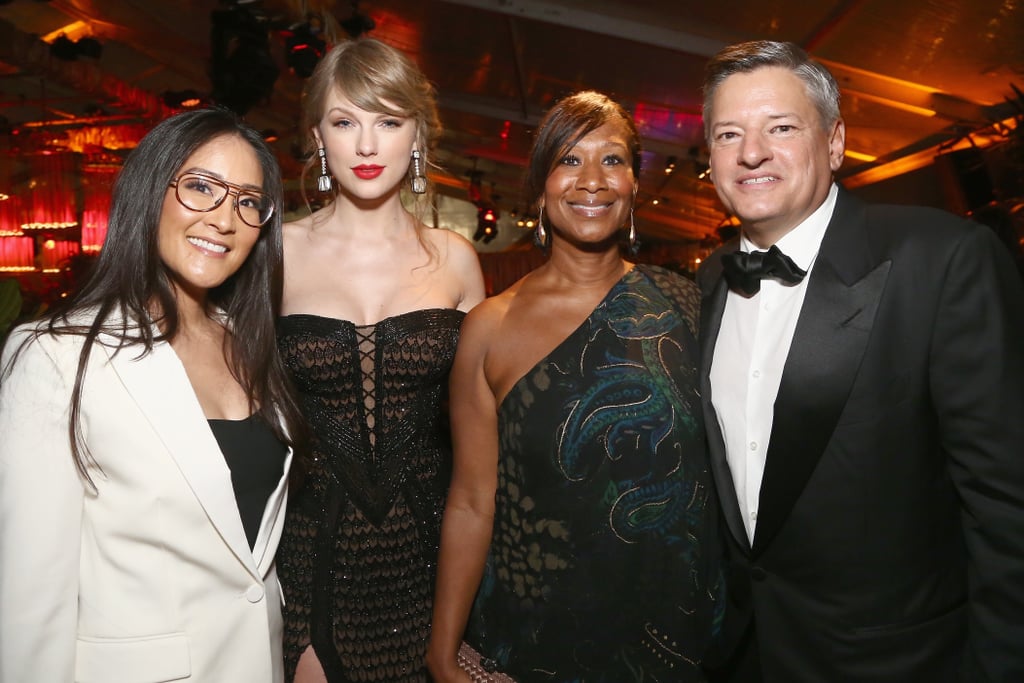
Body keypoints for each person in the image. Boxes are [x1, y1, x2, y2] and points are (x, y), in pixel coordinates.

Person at [696, 40, 1024, 682]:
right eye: (728, 134)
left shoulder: (944, 259)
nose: (751, 152)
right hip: (748, 657)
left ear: (836, 142)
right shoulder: (707, 286)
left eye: (780, 128)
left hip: (901, 660)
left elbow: (1006, 506)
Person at [427, 90, 723, 683]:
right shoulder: (492, 325)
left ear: (635, 187)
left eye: (612, 160)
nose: (592, 180)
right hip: (539, 636)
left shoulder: (689, 303)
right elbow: (470, 500)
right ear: (538, 188)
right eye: (569, 160)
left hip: (682, 632)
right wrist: (442, 649)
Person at [0, 107, 305, 682]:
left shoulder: (252, 345)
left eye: (247, 201)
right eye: (200, 188)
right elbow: (32, 595)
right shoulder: (56, 355)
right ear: (149, 193)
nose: (224, 219)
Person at [275, 38, 485, 683]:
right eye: (346, 122)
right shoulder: (272, 254)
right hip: (311, 566)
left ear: (418, 134)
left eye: (388, 121)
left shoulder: (455, 259)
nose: (367, 146)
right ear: (318, 137)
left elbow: (484, 443)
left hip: (435, 567)